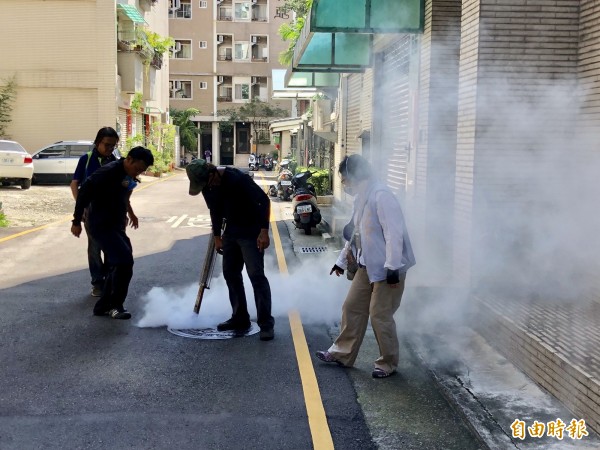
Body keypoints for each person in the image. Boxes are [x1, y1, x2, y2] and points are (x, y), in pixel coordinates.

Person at [315, 154, 416, 378]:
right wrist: (341, 261)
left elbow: (394, 234)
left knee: (379, 315)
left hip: (389, 268)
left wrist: (392, 267)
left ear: (356, 175)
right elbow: (356, 235)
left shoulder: (382, 196)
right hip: (367, 265)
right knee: (351, 307)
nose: (344, 184)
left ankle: (387, 363)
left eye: (345, 179)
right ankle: (342, 353)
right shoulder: (362, 198)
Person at [186, 159, 275, 341]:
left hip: (251, 232)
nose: (208, 187)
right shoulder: (207, 185)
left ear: (213, 173)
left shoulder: (238, 179)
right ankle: (240, 317)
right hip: (230, 232)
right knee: (231, 274)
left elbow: (263, 201)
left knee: (256, 276)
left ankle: (266, 323)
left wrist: (264, 231)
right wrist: (218, 236)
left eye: (209, 183)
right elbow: (214, 210)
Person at [71, 146, 154, 320]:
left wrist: (128, 212)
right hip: (100, 224)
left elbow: (124, 196)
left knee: (120, 263)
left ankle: (103, 306)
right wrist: (76, 221)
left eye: (141, 171)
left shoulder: (127, 174)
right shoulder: (107, 172)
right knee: (124, 262)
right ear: (129, 159)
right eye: (137, 169)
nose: (137, 173)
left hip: (115, 225)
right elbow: (84, 192)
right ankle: (115, 306)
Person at [70, 127, 139, 297]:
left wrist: (129, 212)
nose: (110, 149)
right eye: (107, 145)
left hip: (113, 212)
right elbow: (75, 184)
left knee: (112, 248)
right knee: (94, 247)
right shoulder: (86, 160)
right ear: (97, 142)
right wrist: (82, 210)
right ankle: (97, 282)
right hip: (92, 212)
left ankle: (109, 281)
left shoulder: (116, 161)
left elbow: (124, 190)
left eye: (113, 146)